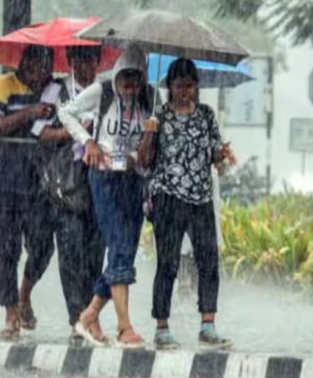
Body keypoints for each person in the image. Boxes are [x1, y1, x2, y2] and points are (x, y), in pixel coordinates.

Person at [59, 45, 154, 348]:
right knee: (120, 248)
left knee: (122, 251)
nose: (130, 84)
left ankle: (88, 314)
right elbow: (66, 112)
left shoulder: (153, 99)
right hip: (104, 178)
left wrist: (149, 138)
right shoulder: (101, 92)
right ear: (116, 74)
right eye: (125, 76)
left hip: (134, 180)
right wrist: (88, 142)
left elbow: (152, 145)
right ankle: (125, 328)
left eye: (136, 78)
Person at [138, 58, 233, 350]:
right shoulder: (160, 116)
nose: (184, 92)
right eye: (179, 86)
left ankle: (208, 325)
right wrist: (150, 132)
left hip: (200, 198)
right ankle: (162, 327)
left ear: (196, 87)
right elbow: (144, 161)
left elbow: (215, 156)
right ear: (169, 87)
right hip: (168, 197)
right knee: (167, 264)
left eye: (190, 86)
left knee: (208, 262)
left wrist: (223, 156)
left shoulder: (206, 115)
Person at [0, 45, 56, 339]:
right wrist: (29, 113)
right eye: (35, 64)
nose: (40, 71)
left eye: (45, 65)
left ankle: (25, 293)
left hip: (38, 181)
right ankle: (10, 313)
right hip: (1, 180)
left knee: (43, 245)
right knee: (5, 249)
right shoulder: (2, 86)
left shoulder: (53, 91)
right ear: (23, 63)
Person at [31, 46, 106, 343]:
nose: (84, 64)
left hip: (100, 180)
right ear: (71, 61)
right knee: (70, 249)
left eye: (90, 58)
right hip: (66, 182)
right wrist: (73, 132)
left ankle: (91, 314)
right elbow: (39, 133)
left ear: (98, 61)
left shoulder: (106, 92)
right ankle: (76, 316)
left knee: (95, 251)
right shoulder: (56, 91)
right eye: (78, 58)